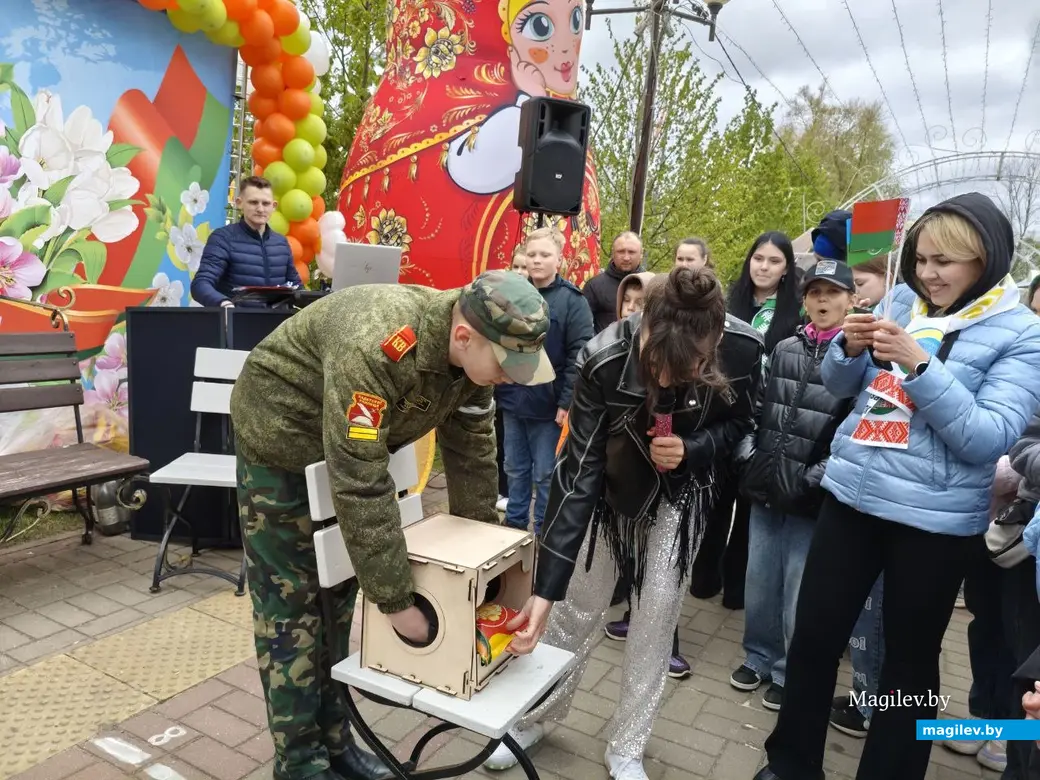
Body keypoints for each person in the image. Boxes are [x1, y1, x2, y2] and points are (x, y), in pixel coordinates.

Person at [754, 192, 1040, 780]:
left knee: (907, 666)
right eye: (922, 259)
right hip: (853, 494)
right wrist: (849, 348)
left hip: (932, 523)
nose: (929, 274)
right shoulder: (905, 300)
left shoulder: (1022, 332)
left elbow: (988, 439)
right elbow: (840, 384)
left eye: (946, 262)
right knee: (813, 636)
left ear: (986, 260)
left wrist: (919, 363)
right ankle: (790, 763)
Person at [229, 271, 555, 780]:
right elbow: (360, 479)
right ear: (464, 337)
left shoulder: (473, 363)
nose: (512, 378)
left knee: (336, 597)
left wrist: (480, 572)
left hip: (344, 450)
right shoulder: (377, 343)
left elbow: (473, 457)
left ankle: (336, 744)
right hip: (281, 445)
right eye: (507, 364)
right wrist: (397, 600)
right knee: (292, 608)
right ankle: (299, 763)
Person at [486, 267, 765, 780]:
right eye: (656, 361)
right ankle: (535, 717)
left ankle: (628, 744)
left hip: (683, 495)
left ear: (716, 343)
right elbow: (577, 475)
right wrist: (546, 587)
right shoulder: (603, 356)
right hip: (610, 494)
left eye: (684, 369)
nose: (662, 380)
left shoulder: (746, 349)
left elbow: (744, 425)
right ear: (644, 325)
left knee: (656, 617)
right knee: (573, 609)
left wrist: (695, 447)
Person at [730, 259, 856, 712]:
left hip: (809, 495)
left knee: (798, 588)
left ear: (851, 299)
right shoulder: (784, 347)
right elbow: (757, 406)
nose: (823, 301)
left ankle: (788, 669)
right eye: (815, 292)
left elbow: (854, 431)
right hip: (765, 484)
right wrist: (749, 456)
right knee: (759, 578)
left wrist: (815, 479)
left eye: (833, 293)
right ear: (803, 299)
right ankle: (758, 656)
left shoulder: (860, 358)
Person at [690, 231, 804, 609]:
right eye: (759, 258)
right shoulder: (729, 300)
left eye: (774, 261)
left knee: (749, 504)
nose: (764, 267)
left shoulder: (796, 310)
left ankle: (737, 587)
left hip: (769, 419)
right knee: (714, 499)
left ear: (787, 268)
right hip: (724, 410)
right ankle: (705, 578)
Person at [600, 271, 695, 679]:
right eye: (630, 304)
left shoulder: (697, 357)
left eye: (645, 305)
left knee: (662, 582)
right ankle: (628, 613)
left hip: (675, 488)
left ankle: (663, 644)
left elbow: (735, 426)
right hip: (623, 484)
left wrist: (692, 448)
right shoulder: (606, 357)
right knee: (622, 566)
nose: (635, 312)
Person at [497, 228, 593, 534]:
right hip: (513, 398)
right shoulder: (511, 292)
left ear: (559, 260)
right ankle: (513, 525)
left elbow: (579, 355)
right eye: (532, 254)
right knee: (514, 468)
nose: (536, 261)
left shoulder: (572, 302)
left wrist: (567, 401)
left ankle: (543, 530)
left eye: (544, 255)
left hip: (549, 406)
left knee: (545, 473)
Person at [191, 176, 301, 307]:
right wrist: (223, 303)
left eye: (266, 203)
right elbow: (201, 284)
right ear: (239, 203)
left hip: (279, 325)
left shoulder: (281, 242)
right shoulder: (222, 238)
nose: (260, 209)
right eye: (253, 202)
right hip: (237, 323)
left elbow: (297, 287)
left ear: (274, 206)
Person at [582, 232, 645, 332]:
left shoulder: (651, 285)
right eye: (621, 252)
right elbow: (583, 327)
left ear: (641, 254)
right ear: (612, 253)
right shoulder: (594, 286)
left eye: (632, 252)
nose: (626, 257)